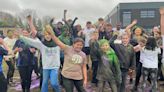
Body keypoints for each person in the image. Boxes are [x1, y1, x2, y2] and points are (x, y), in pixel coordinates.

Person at [47, 28, 87, 92]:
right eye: (77, 44)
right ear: (73, 44)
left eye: (81, 45)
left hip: (78, 77)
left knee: (82, 90)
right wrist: (52, 34)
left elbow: (84, 67)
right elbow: (58, 42)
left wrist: (85, 79)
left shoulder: (83, 55)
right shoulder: (67, 48)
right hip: (67, 76)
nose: (79, 46)